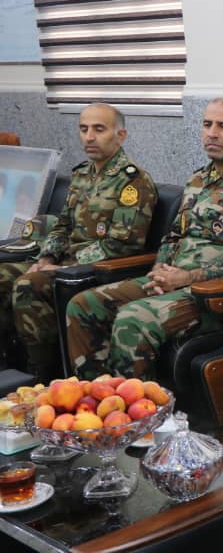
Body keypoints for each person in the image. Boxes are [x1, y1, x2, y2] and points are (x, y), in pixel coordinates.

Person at [65, 98, 223, 381]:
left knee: (134, 319)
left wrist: (186, 278)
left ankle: (138, 405)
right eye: (207, 124)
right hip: (173, 281)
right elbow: (174, 235)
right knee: (83, 304)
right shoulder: (197, 180)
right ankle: (97, 394)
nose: (212, 133)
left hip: (214, 295)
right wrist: (160, 269)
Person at [0, 104, 158, 379]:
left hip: (96, 270)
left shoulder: (134, 182)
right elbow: (62, 225)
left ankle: (43, 373)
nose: (89, 137)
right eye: (84, 129)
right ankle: (10, 364)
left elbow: (122, 245)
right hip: (63, 263)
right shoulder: (82, 174)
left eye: (99, 129)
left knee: (28, 284)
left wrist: (64, 268)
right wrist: (47, 258)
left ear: (120, 135)